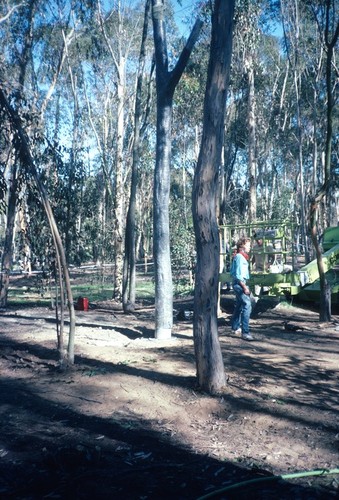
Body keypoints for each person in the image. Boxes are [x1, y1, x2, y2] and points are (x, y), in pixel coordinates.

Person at [230, 237, 254, 341]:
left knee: (239, 305)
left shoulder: (240, 257)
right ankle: (245, 332)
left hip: (238, 283)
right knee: (247, 305)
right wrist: (244, 287)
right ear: (243, 246)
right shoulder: (240, 257)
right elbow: (239, 275)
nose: (250, 247)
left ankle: (235, 327)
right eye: (248, 245)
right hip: (240, 284)